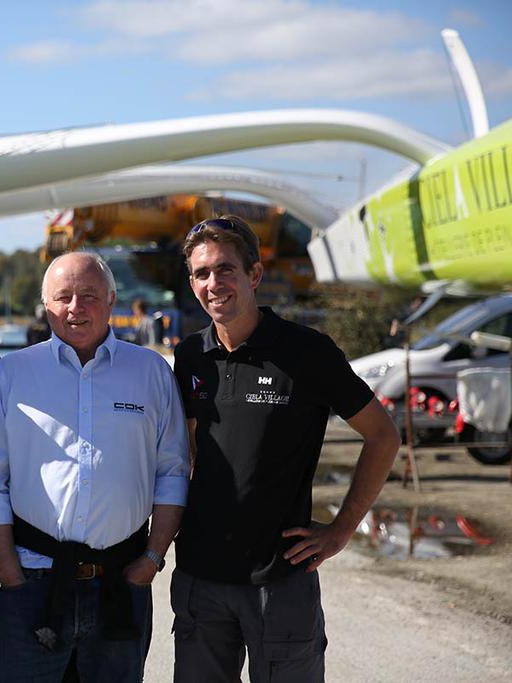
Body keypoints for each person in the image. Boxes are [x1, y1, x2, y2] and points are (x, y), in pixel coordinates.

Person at [170, 216, 401, 683]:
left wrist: (341, 530)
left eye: (225, 269)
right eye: (201, 273)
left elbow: (383, 436)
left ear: (254, 274)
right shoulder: (190, 356)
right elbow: (188, 450)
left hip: (279, 580)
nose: (213, 284)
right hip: (200, 578)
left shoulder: (306, 352)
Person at [0, 252, 190, 683]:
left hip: (122, 580)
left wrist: (153, 557)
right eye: (64, 297)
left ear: (111, 300)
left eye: (89, 295)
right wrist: (7, 568)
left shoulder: (150, 372)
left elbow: (172, 473)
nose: (76, 307)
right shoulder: (11, 374)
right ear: (46, 305)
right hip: (33, 579)